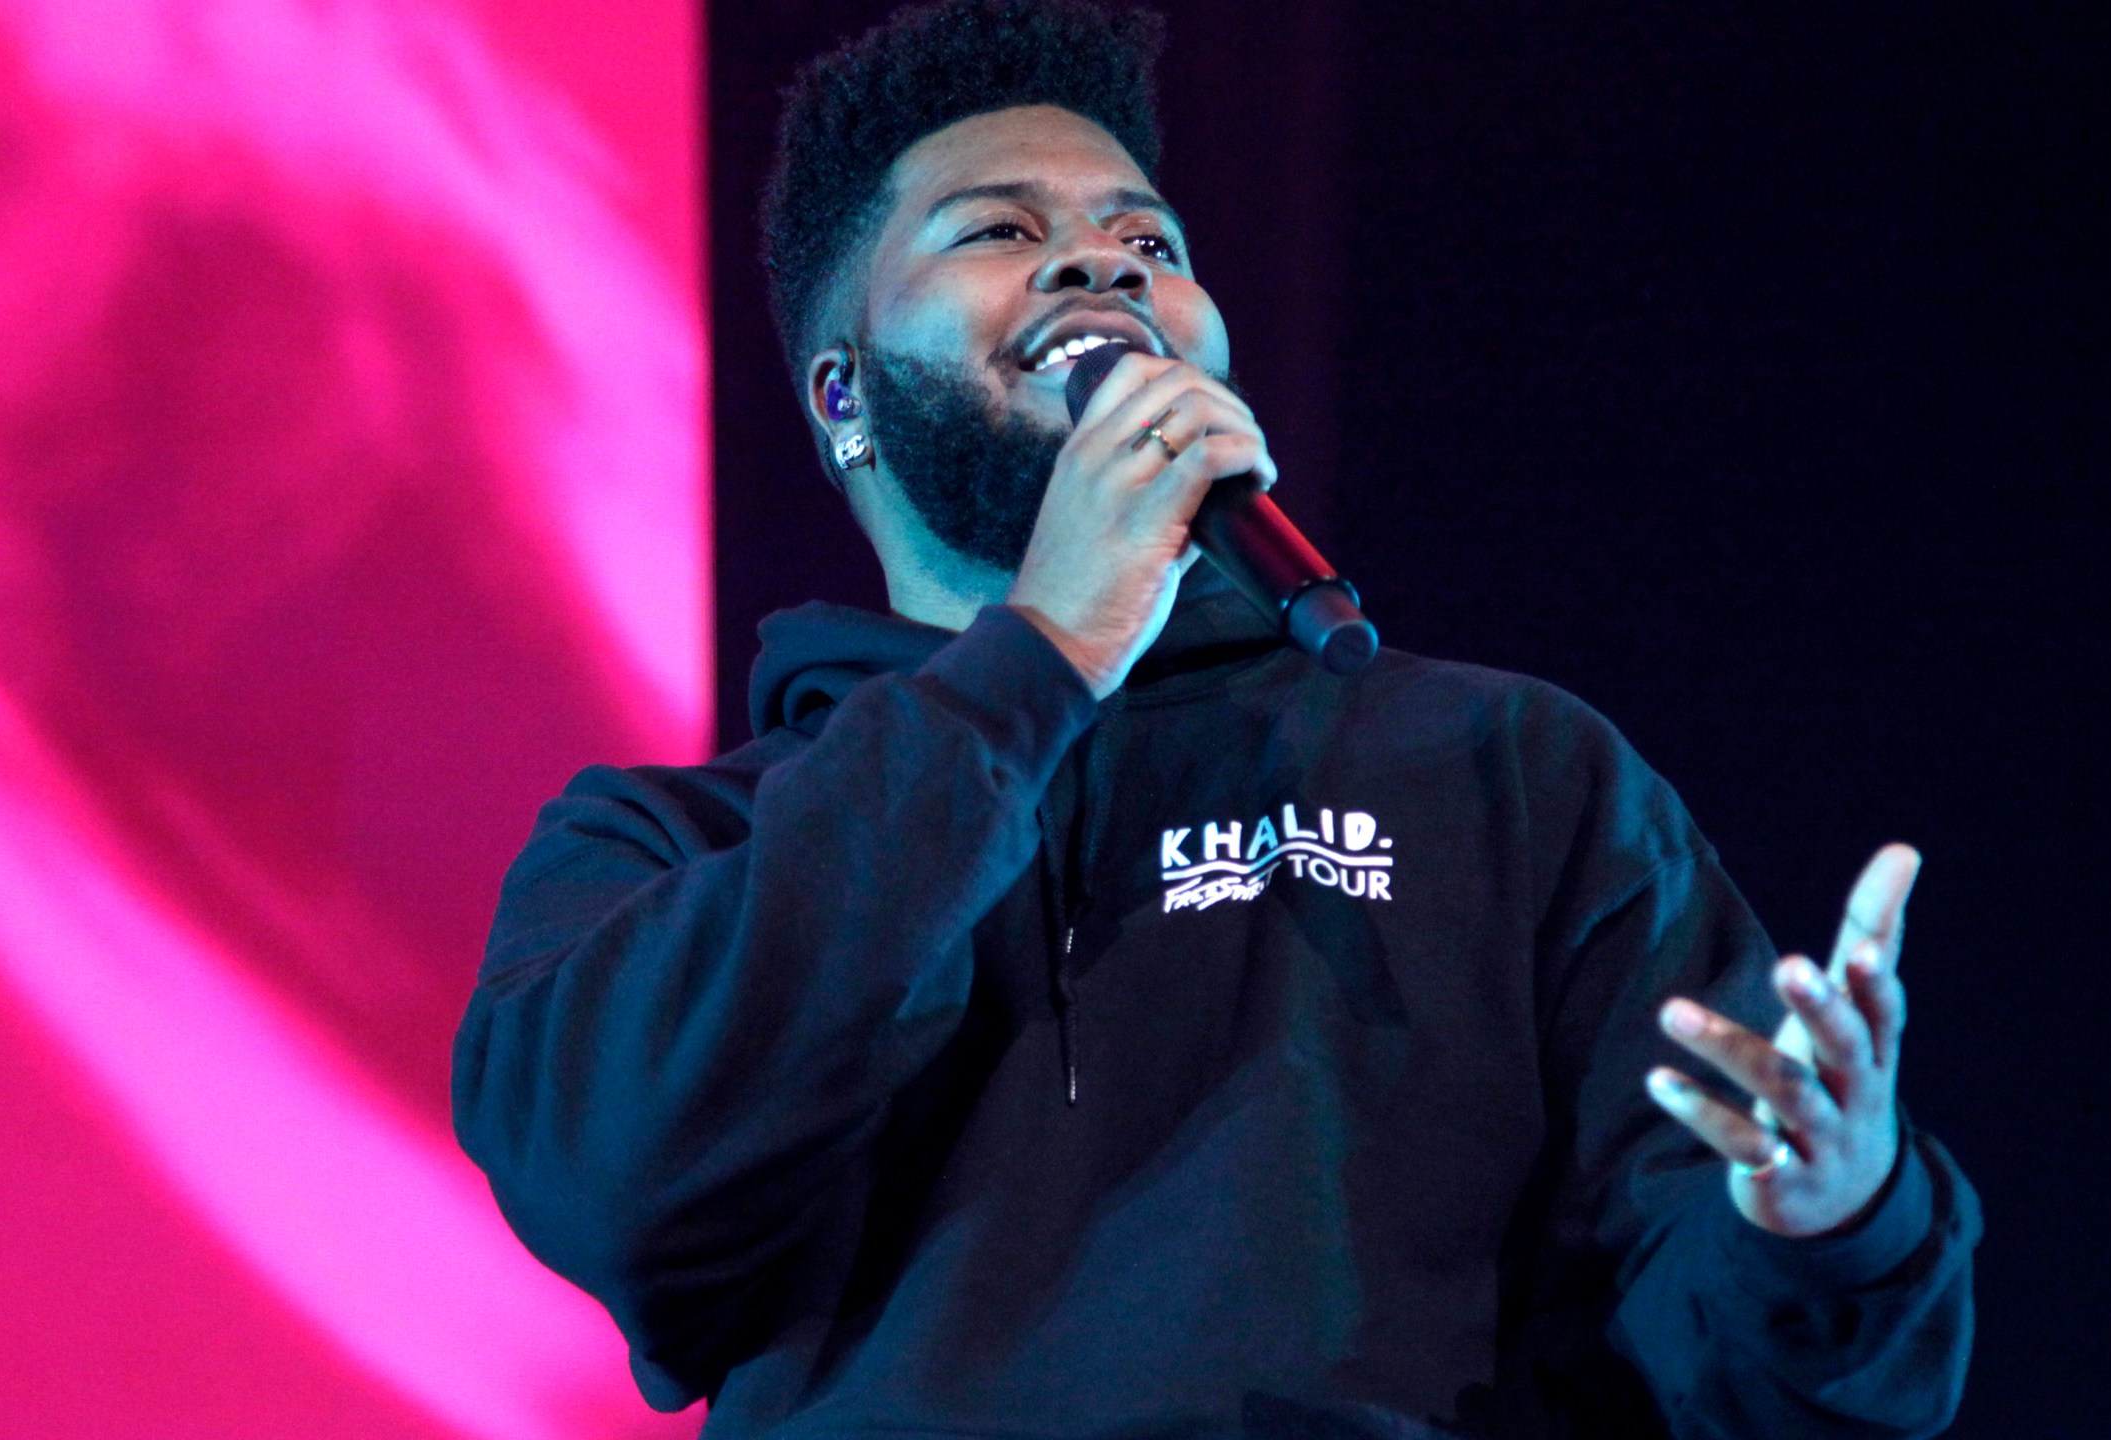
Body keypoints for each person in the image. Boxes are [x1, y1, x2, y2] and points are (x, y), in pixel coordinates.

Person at [451, 2, 1981, 1435]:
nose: (1100, 267)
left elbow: (1750, 1371)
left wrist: (1837, 1222)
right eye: (1001, 231)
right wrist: (1042, 653)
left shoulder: (1500, 770)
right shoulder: (676, 845)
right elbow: (616, 1188)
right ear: (844, 394)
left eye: (1147, 240)